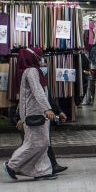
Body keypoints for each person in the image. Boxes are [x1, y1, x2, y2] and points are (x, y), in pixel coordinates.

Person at [4, 48, 60, 181]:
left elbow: (24, 96)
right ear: (32, 58)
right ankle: (12, 165)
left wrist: (22, 117)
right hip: (35, 112)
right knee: (35, 142)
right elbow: (38, 92)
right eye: (39, 57)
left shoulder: (28, 72)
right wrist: (47, 109)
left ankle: (43, 171)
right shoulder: (32, 72)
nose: (41, 60)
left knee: (43, 141)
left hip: (35, 112)